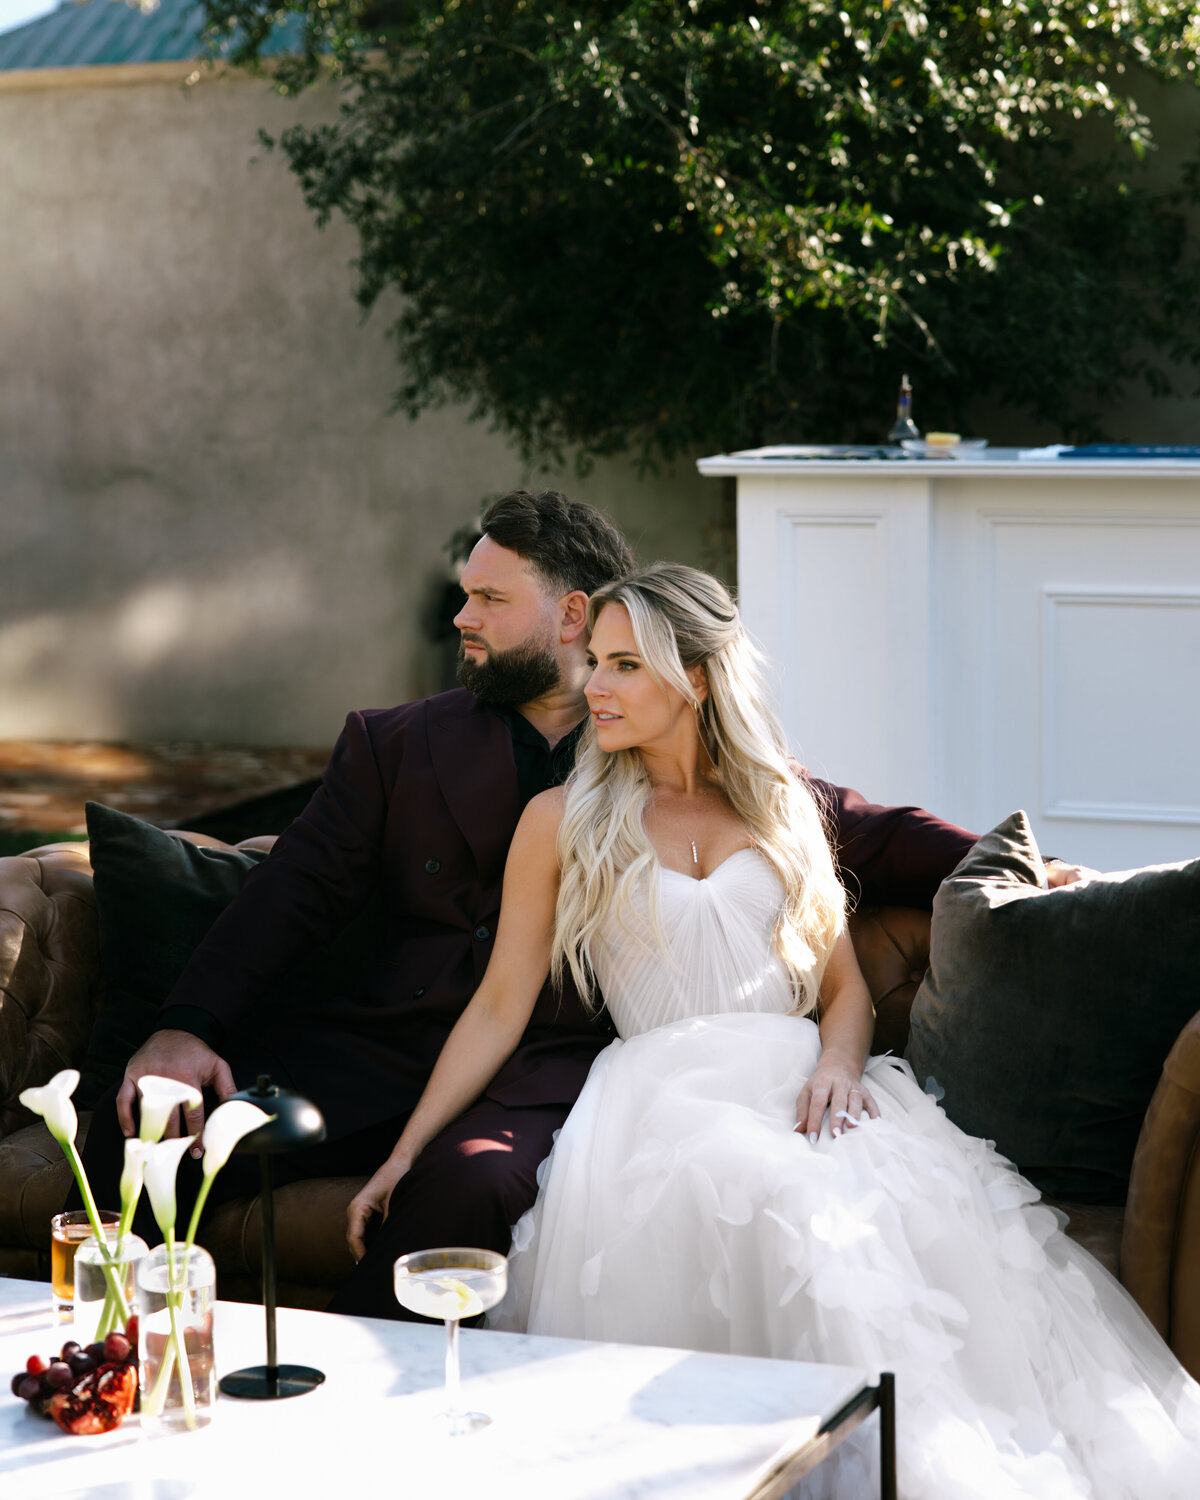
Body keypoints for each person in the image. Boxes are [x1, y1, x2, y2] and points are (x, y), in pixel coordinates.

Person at [353, 563, 1200, 1497]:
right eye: (594, 660)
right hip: (657, 1098)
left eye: (625, 665)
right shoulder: (561, 820)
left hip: (801, 1083)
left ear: (698, 680)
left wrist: (840, 1066)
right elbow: (498, 1004)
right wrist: (406, 1152)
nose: (593, 686)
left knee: (859, 1235)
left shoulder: (780, 805)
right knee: (765, 1195)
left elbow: (841, 989)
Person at [79, 490, 980, 1320]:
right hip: (377, 1051)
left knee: (469, 1191)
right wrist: (187, 1024)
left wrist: (1009, 859)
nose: (462, 618)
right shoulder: (394, 745)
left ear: (573, 615)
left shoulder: (649, 728)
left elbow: (845, 825)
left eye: (489, 599)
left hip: (544, 1073)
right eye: (465, 596)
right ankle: (110, 1369)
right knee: (151, 1143)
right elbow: (291, 890)